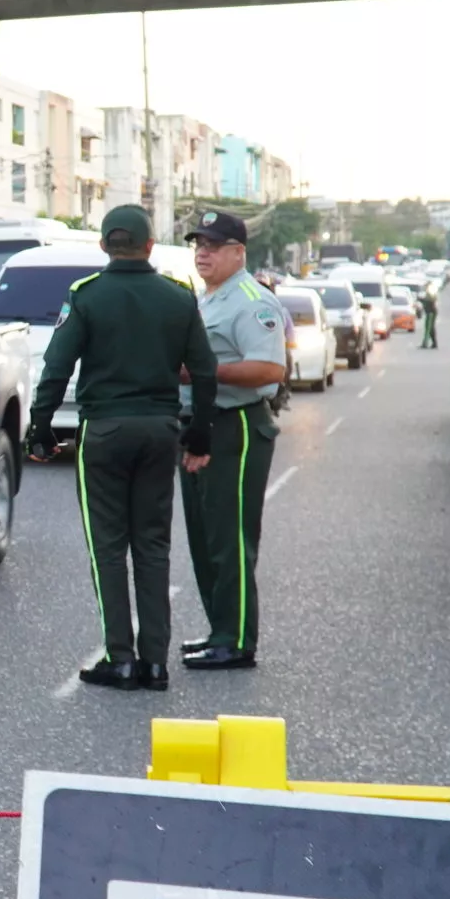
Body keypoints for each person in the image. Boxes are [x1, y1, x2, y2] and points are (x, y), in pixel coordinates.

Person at [25, 204, 216, 692]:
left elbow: (57, 366)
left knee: (108, 548)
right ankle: (155, 661)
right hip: (160, 429)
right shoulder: (179, 297)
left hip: (104, 432)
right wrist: (200, 433)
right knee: (153, 546)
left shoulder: (86, 296)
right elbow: (206, 371)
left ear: (104, 245)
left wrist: (41, 426)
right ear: (150, 245)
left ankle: (120, 657)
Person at [177, 210, 288, 673]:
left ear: (237, 253)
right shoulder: (207, 299)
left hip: (236, 425)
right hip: (201, 424)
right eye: (198, 244)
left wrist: (204, 372)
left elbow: (268, 370)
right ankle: (220, 629)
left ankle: (237, 639)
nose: (202, 252)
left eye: (213, 245)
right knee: (205, 538)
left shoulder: (251, 301)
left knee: (230, 537)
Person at [418, 274, 441, 349]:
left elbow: (431, 301)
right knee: (429, 327)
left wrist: (422, 300)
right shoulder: (428, 293)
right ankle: (431, 343)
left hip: (431, 312)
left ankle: (427, 343)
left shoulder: (431, 292)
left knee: (429, 327)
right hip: (429, 312)